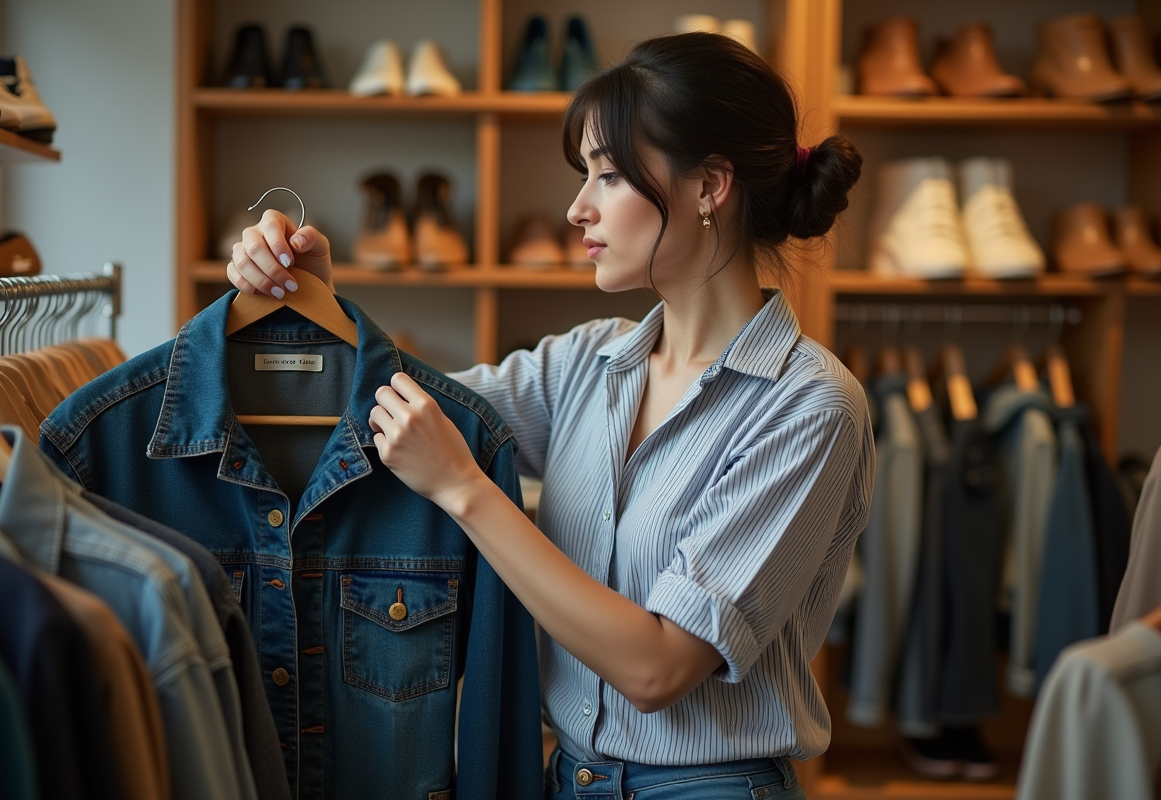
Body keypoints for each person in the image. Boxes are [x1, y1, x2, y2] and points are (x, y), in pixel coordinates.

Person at [227, 31, 872, 800]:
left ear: (709, 185)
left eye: (609, 174)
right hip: (564, 780)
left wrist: (465, 490)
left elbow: (658, 668)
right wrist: (314, 296)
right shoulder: (588, 363)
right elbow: (393, 410)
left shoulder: (808, 405)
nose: (577, 208)